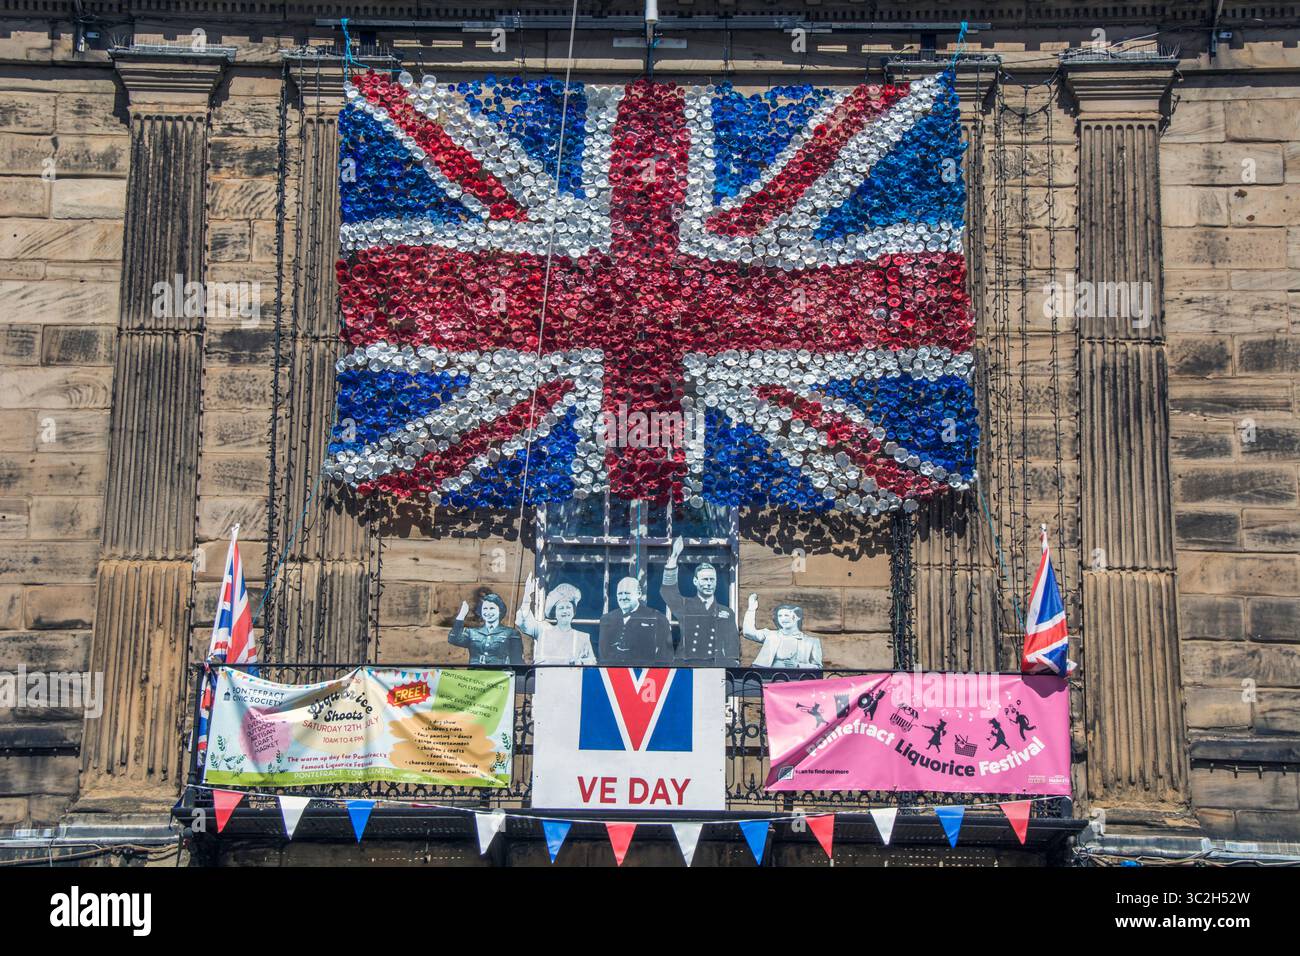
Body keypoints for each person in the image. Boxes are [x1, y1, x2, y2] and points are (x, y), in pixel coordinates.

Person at [660, 536, 738, 666]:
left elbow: (732, 648)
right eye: (704, 580)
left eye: (711, 580)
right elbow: (667, 592)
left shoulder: (726, 612)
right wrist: (674, 557)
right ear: (695, 581)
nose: (708, 584)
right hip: (686, 666)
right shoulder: (685, 605)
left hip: (714, 668)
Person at [514, 574, 596, 666]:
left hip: (572, 678)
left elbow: (592, 663)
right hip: (544, 677)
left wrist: (580, 662)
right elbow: (523, 621)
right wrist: (527, 596)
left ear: (573, 612)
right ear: (555, 613)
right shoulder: (543, 630)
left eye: (568, 607)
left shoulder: (583, 637)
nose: (565, 611)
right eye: (561, 608)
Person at [597, 576, 673, 665]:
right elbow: (603, 655)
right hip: (612, 675)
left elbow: (666, 656)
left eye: (627, 593)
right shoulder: (607, 619)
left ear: (639, 594)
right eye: (620, 594)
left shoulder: (657, 618)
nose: (623, 597)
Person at [742, 594, 823, 669]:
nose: (783, 619)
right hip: (767, 679)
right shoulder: (770, 635)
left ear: (798, 617)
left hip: (796, 681)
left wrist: (798, 665)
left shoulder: (811, 642)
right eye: (780, 616)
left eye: (786, 615)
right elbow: (747, 632)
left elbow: (818, 667)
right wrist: (751, 610)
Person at [449, 592, 525, 665]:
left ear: (500, 611)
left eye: (492, 608)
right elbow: (453, 639)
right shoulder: (472, 632)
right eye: (485, 608)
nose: (488, 612)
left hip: (499, 676)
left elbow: (517, 661)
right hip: (475, 675)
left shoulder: (511, 633)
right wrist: (461, 616)